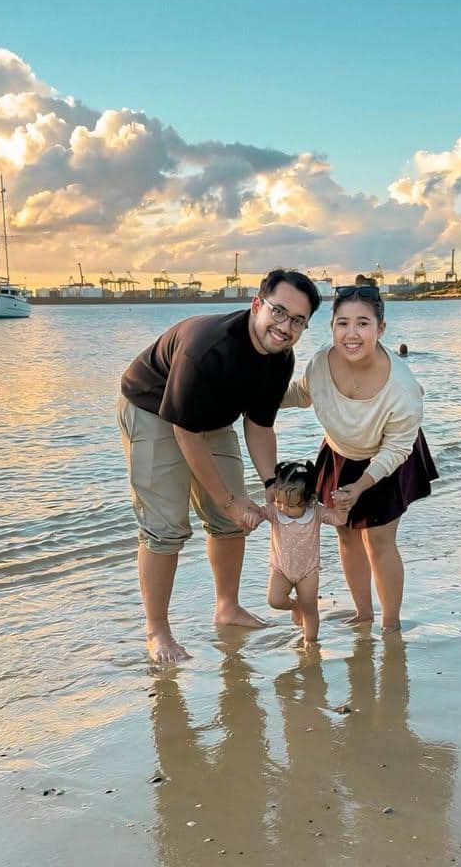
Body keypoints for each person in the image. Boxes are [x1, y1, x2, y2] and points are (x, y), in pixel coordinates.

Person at [118, 268, 321, 663]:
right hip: (152, 410)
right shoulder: (207, 348)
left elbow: (259, 425)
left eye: (298, 321)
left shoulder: (281, 359)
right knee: (165, 526)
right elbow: (185, 433)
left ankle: (227, 607)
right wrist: (228, 500)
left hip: (211, 418)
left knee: (232, 521)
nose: (285, 327)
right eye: (279, 312)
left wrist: (270, 485)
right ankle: (157, 630)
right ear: (257, 305)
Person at [282, 282, 437, 633]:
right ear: (331, 326)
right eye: (343, 323)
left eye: (362, 323)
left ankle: (390, 623)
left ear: (380, 329)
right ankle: (363, 613)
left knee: (378, 540)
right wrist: (253, 397)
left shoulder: (403, 388)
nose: (351, 334)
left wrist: (362, 485)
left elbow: (397, 449)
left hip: (387, 458)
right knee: (346, 534)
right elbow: (302, 393)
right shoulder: (321, 362)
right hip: (340, 453)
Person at [258, 459, 350, 643]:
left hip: (308, 571)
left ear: (309, 500)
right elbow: (256, 513)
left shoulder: (316, 513)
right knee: (275, 600)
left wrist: (342, 507)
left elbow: (339, 520)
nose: (283, 508)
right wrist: (249, 516)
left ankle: (310, 641)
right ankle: (295, 606)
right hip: (280, 569)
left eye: (291, 505)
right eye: (279, 501)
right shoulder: (274, 512)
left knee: (310, 608)